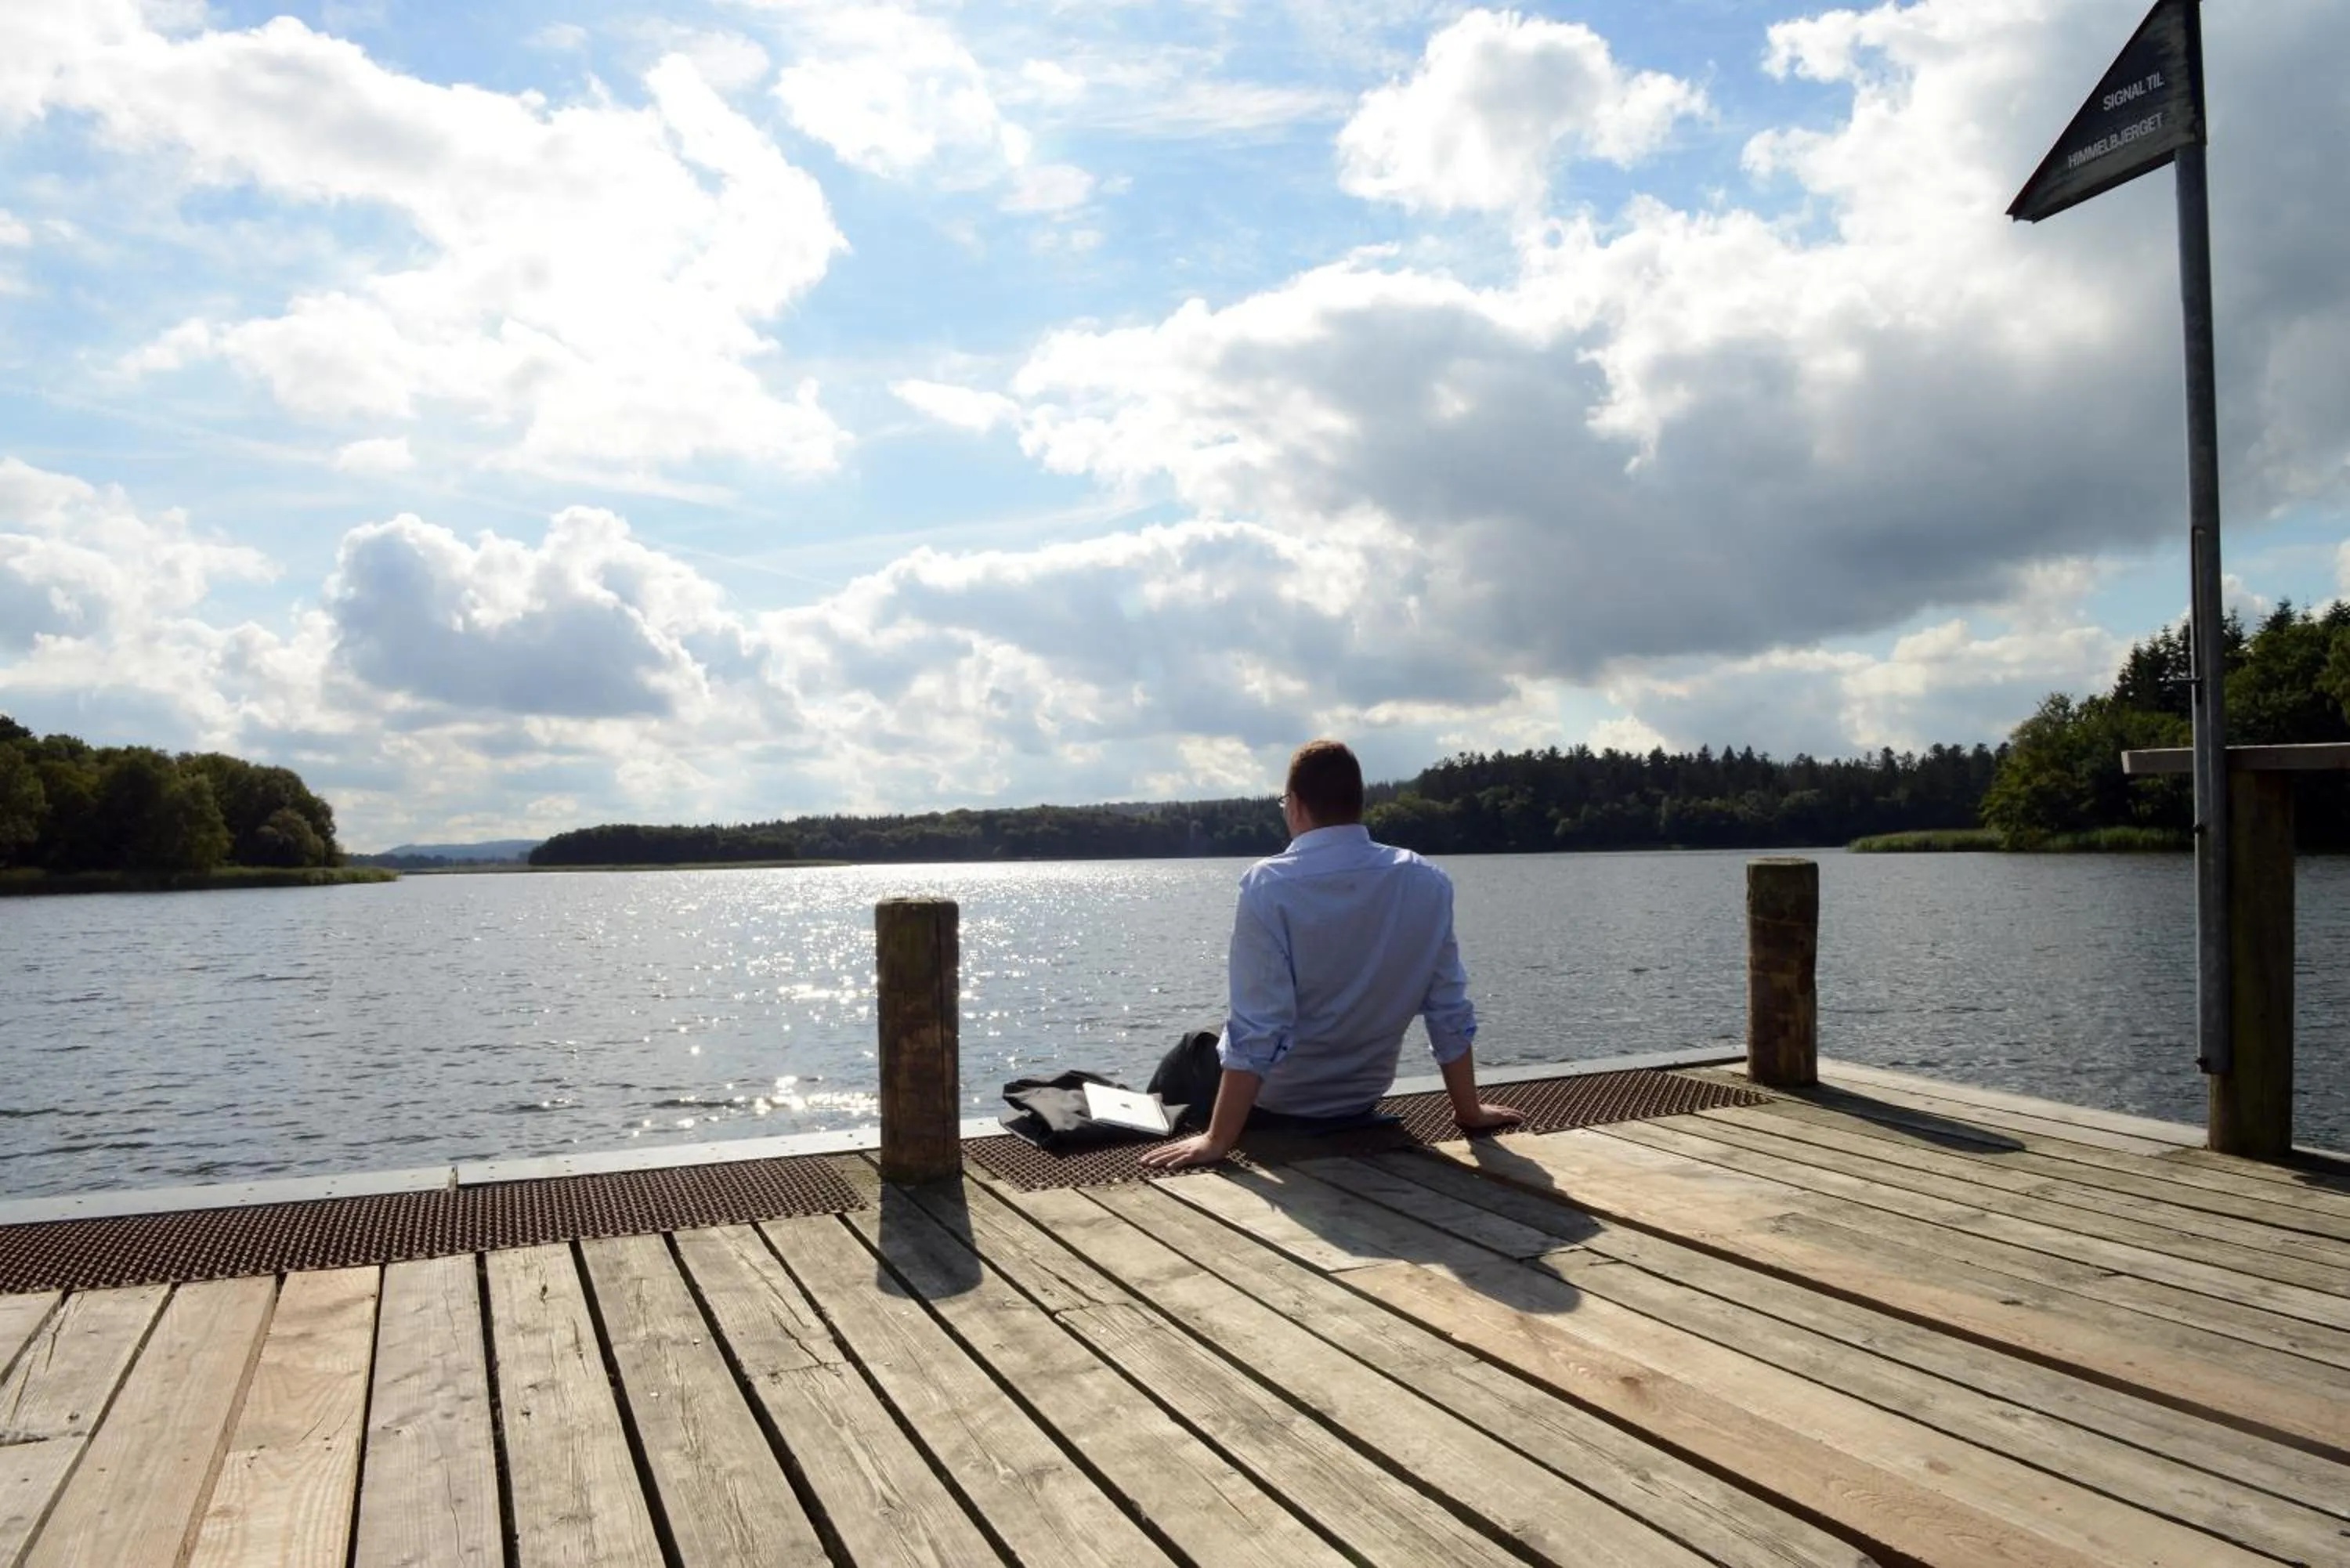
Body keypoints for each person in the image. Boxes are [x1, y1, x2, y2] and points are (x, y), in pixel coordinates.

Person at [1140, 739, 1524, 1169]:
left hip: (1280, 1102)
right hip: (1360, 1098)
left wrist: (1217, 1141)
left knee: (1194, 1049)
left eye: (1284, 802)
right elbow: (1447, 1009)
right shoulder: (1426, 881)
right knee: (1214, 1036)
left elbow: (1259, 1027)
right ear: (1358, 804)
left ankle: (1136, 1140)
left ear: (1297, 805)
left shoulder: (1269, 885)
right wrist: (1469, 1112)